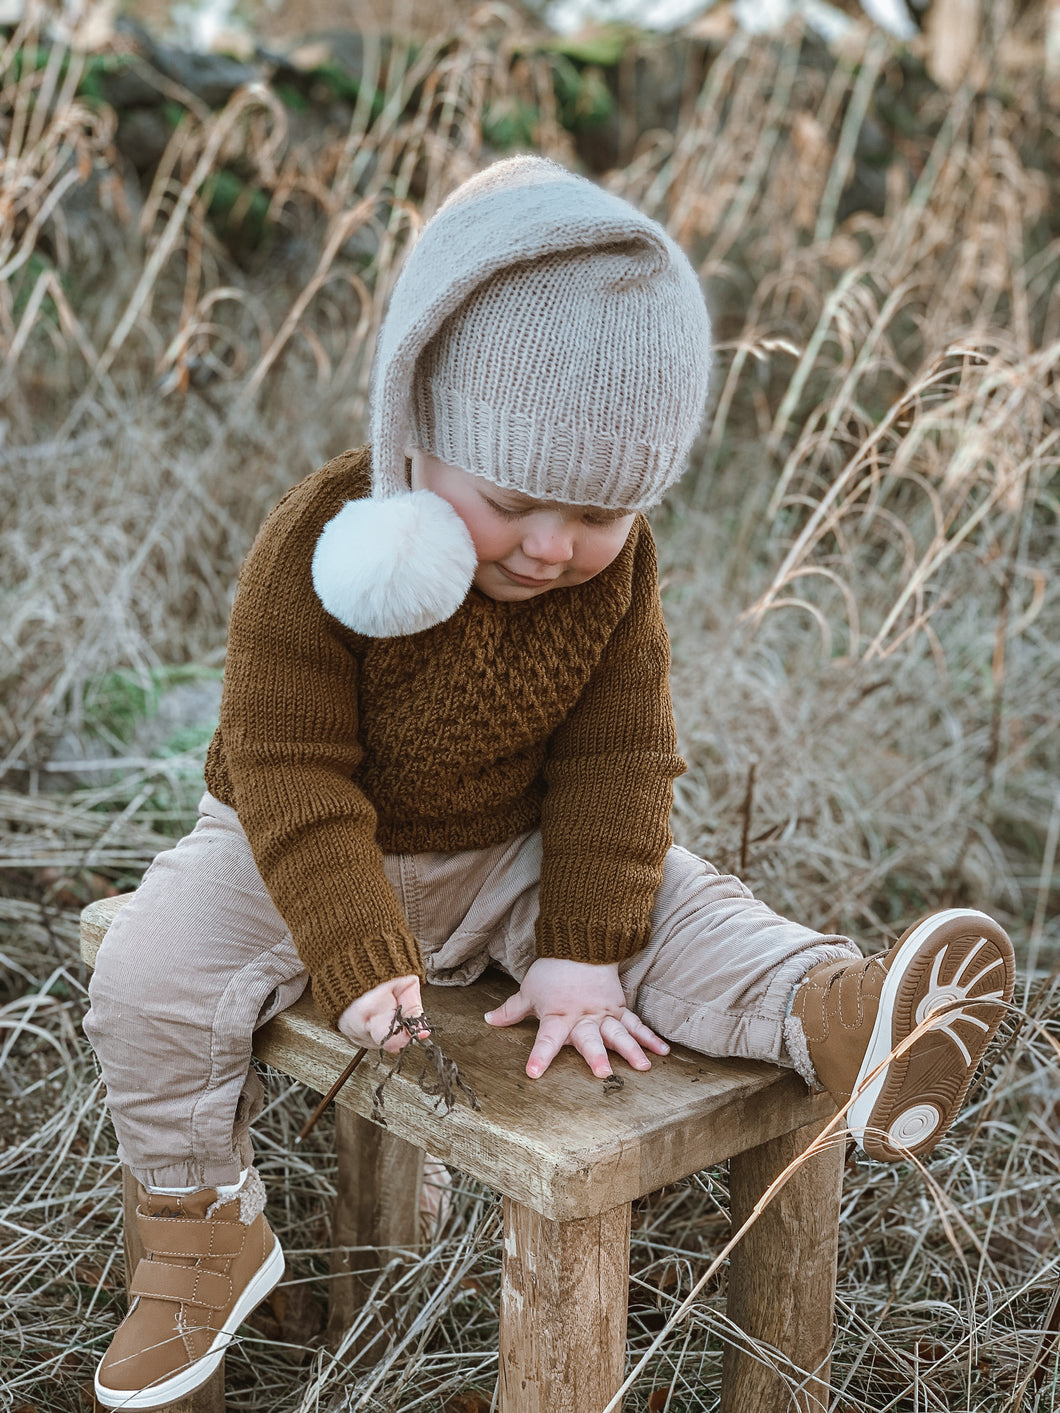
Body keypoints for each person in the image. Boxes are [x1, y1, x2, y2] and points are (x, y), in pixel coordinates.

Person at [83, 155, 1016, 1409]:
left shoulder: (612, 584)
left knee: (683, 904)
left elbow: (619, 765)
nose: (552, 546)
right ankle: (200, 1230)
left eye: (601, 513)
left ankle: (841, 1016)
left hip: (506, 853)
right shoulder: (321, 545)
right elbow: (289, 768)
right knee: (150, 974)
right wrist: (357, 953)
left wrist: (582, 945)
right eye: (514, 501)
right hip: (288, 851)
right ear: (415, 443)